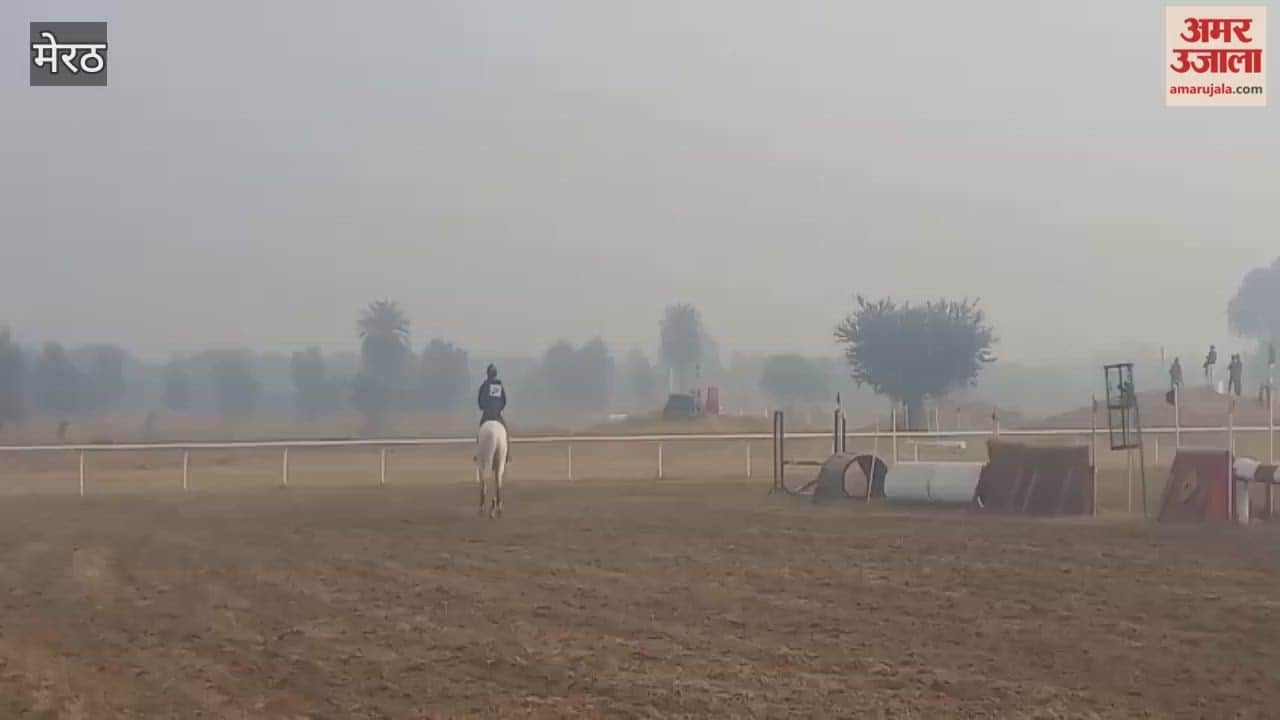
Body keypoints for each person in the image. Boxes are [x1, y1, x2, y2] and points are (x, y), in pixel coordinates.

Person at [477, 364, 510, 460]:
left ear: (487, 374)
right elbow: (504, 401)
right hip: (497, 415)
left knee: (480, 432)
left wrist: (485, 408)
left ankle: (478, 453)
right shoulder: (499, 385)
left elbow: (480, 402)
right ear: (495, 374)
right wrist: (498, 408)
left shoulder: (483, 386)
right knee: (506, 432)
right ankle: (507, 454)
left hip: (486, 415)